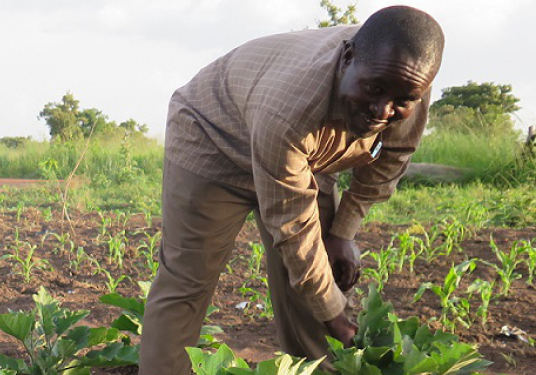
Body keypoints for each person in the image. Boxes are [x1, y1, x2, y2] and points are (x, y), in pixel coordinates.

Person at [139, 6, 443, 374]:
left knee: (317, 279)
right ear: (347, 59)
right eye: (374, 89)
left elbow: (391, 156)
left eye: (402, 101)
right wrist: (336, 318)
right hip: (213, 138)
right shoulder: (290, 108)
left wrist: (342, 232)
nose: (383, 110)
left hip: (304, 155)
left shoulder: (408, 82)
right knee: (187, 279)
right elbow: (292, 225)